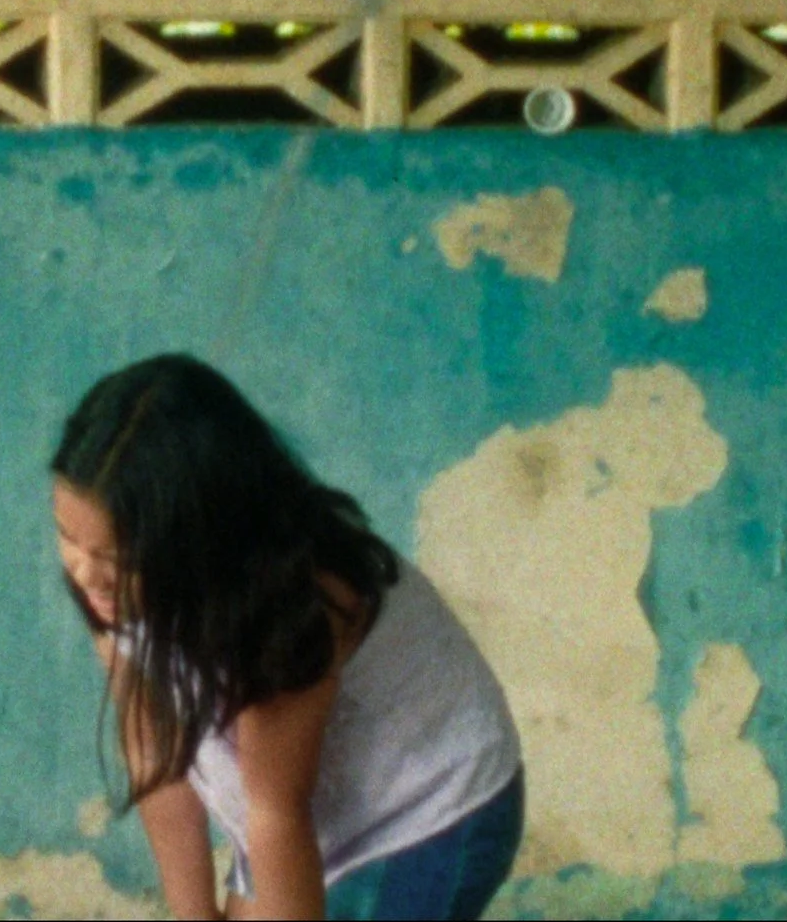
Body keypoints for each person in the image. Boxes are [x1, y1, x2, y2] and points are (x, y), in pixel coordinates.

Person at [50, 355, 523, 922]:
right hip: (303, 812)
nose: (83, 572)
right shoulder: (114, 586)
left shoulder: (289, 607)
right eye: (67, 537)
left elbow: (278, 812)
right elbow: (157, 757)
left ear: (194, 535)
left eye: (112, 558)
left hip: (430, 812)